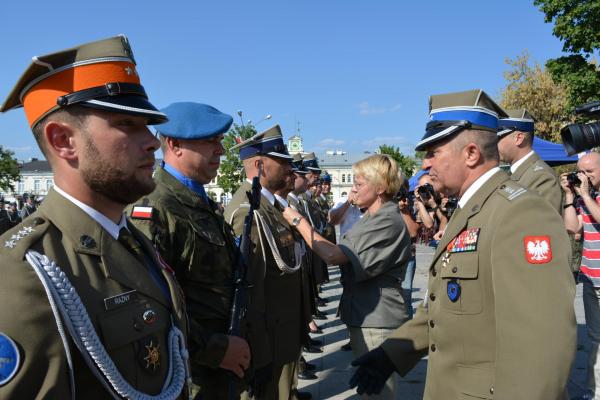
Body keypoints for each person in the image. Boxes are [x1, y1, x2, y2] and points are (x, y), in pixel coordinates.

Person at [349, 89, 576, 399]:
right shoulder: (469, 209)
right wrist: (392, 354)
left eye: (433, 152)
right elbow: (446, 308)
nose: (425, 163)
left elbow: (540, 346)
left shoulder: (521, 213)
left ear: (471, 153)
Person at [0, 35, 190, 399]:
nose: (152, 141)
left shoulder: (132, 240)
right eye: (127, 124)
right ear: (63, 141)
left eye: (148, 125)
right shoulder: (22, 275)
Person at [127, 102, 250, 399]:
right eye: (210, 141)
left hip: (221, 363)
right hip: (193, 372)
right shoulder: (155, 206)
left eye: (219, 141)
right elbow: (152, 304)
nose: (220, 151)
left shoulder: (197, 199)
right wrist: (216, 350)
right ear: (175, 144)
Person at [283, 154, 411, 400]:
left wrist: (298, 222)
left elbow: (333, 255)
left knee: (378, 393)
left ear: (381, 187)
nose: (353, 189)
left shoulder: (385, 220)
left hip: (377, 319)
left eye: (359, 184)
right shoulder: (373, 217)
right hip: (366, 312)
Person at [224, 125, 305, 400]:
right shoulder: (247, 211)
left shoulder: (270, 207)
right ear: (259, 165)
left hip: (282, 331)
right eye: (282, 162)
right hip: (268, 338)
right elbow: (249, 287)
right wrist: (259, 350)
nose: (288, 169)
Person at [562, 152, 600, 400]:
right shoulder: (584, 198)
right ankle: (592, 391)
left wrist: (584, 194)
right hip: (589, 278)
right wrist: (569, 196)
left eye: (590, 172)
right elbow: (572, 228)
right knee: (595, 340)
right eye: (581, 171)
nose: (584, 177)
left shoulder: (589, 197)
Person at [497, 109, 563, 214]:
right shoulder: (518, 173)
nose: (493, 144)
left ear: (518, 138)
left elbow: (545, 225)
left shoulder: (542, 177)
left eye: (498, 138)